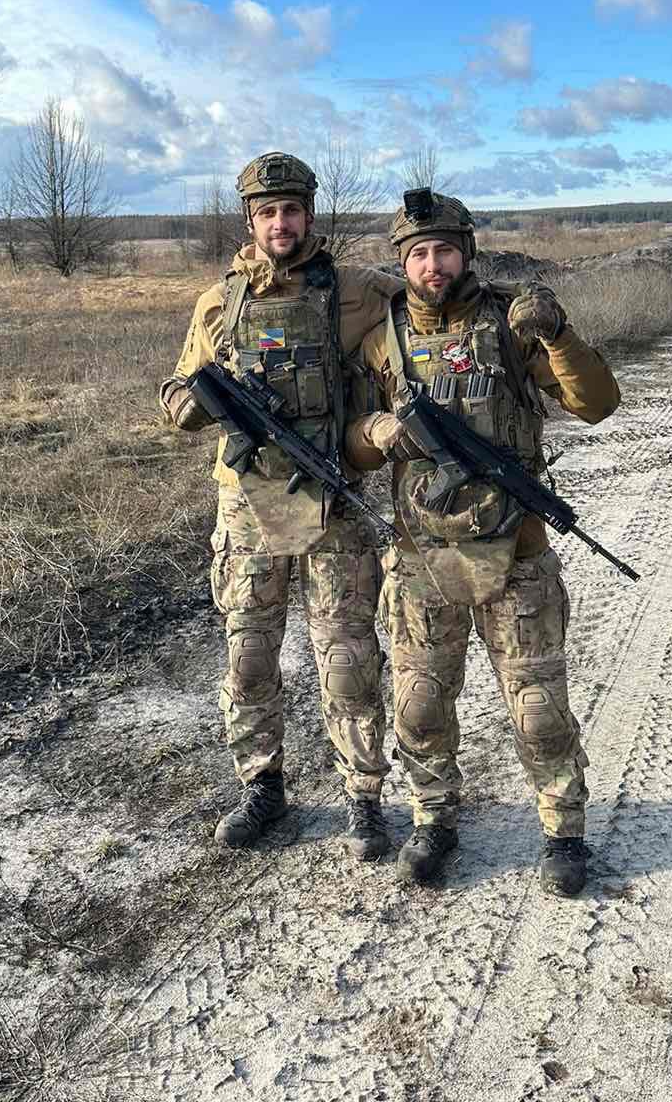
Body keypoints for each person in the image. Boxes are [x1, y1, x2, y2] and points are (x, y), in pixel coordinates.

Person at [345, 189, 620, 894]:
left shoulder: (511, 322)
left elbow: (596, 404)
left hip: (517, 553)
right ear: (402, 263)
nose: (432, 265)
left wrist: (557, 335)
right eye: (417, 254)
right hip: (419, 558)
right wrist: (376, 433)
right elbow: (352, 440)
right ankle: (433, 819)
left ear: (465, 251)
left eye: (444, 250)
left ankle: (563, 831)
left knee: (538, 708)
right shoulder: (384, 338)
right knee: (419, 704)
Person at [160, 153, 404, 859]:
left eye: (291, 209)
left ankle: (363, 797)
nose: (280, 223)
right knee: (248, 657)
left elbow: (431, 311)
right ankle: (262, 787)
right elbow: (177, 390)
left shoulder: (360, 291)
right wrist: (199, 406)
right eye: (267, 212)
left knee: (349, 660)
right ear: (250, 220)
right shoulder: (220, 301)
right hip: (246, 509)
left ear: (309, 214)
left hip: (333, 502)